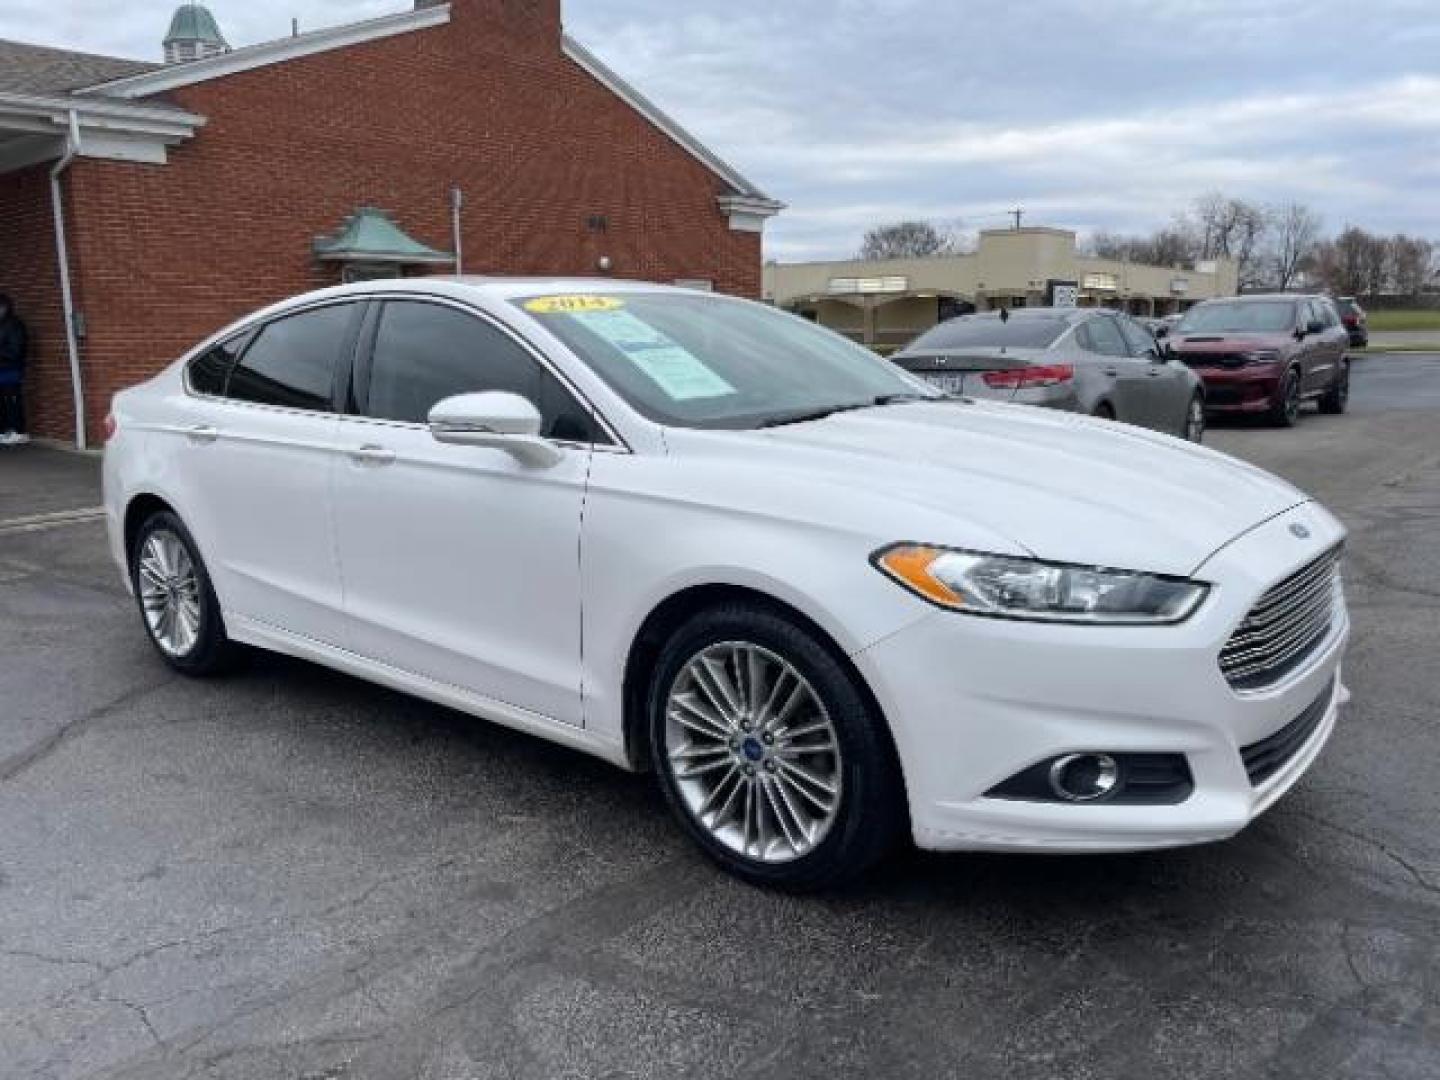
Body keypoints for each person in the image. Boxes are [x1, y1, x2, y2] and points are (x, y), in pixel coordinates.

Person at [0, 292, 29, 446]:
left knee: (12, 401)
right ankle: (4, 431)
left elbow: (16, 350)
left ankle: (18, 431)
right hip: (2, 369)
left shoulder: (14, 325)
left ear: (4, 307)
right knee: (2, 403)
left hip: (10, 370)